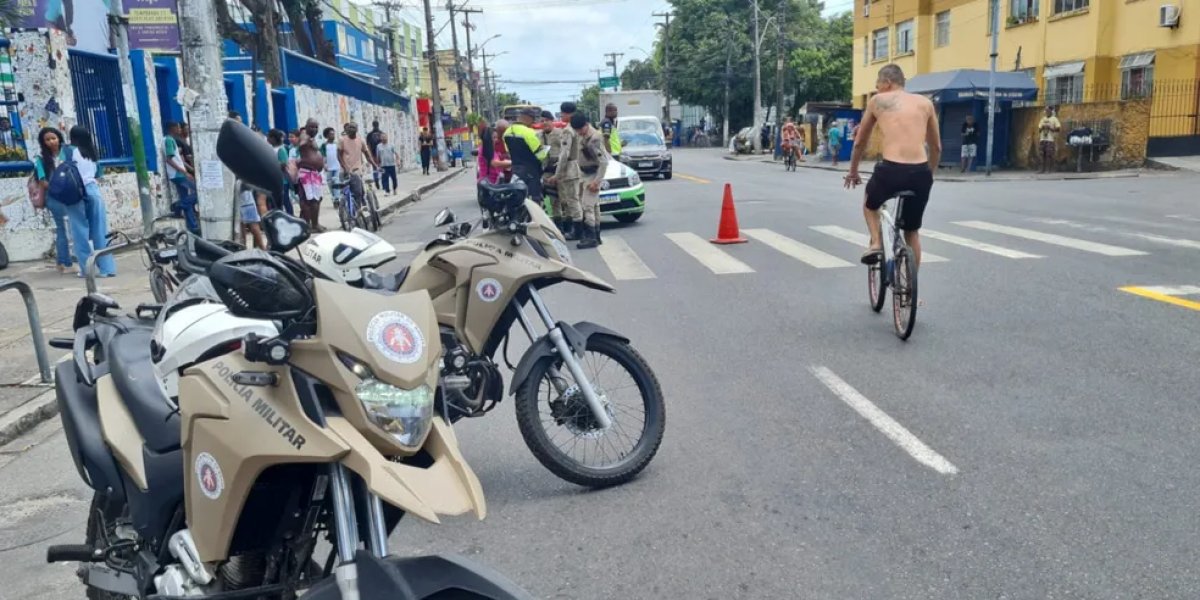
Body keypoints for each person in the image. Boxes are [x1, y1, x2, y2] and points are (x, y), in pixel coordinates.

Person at [844, 64, 940, 269]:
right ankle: (912, 292)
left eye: (877, 83)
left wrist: (853, 171)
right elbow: (936, 147)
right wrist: (928, 175)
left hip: (891, 170)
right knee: (912, 231)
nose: (876, 88)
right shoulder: (925, 103)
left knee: (870, 203)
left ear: (887, 82)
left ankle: (876, 242)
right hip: (921, 172)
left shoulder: (878, 101)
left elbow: (860, 142)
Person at [67, 125, 116, 277]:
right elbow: (99, 173)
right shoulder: (92, 153)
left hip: (77, 192)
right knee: (100, 231)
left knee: (80, 231)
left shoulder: (69, 151)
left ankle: (87, 270)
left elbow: (64, 169)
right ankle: (108, 269)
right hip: (94, 191)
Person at [34, 127, 72, 273]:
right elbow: (42, 181)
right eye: (47, 139)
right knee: (62, 228)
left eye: (53, 138)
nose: (51, 142)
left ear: (59, 138)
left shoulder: (67, 152)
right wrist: (58, 189)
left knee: (73, 228)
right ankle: (63, 262)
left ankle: (69, 259)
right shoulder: (41, 159)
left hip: (71, 195)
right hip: (55, 198)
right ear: (43, 142)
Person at [570, 114, 609, 250]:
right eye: (577, 130)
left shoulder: (594, 139)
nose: (579, 132)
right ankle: (596, 235)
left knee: (587, 206)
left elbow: (604, 162)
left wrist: (596, 182)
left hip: (593, 174)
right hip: (585, 174)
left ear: (586, 125)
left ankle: (590, 237)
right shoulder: (584, 136)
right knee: (594, 206)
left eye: (580, 129)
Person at [548, 102, 583, 240]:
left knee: (572, 200)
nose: (561, 115)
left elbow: (564, 154)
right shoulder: (579, 128)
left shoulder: (568, 130)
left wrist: (557, 173)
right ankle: (582, 229)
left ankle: (577, 231)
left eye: (562, 113)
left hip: (570, 169)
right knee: (577, 199)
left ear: (568, 114)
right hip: (579, 167)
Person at [504, 108, 550, 208]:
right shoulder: (529, 132)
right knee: (535, 199)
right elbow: (540, 155)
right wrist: (547, 150)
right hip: (531, 171)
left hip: (516, 170)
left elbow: (507, 152)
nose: (533, 123)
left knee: (518, 196)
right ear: (528, 118)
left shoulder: (507, 132)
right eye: (533, 120)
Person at [163, 122, 199, 234]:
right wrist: (183, 171)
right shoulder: (169, 140)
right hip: (178, 174)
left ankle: (192, 227)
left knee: (186, 199)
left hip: (177, 173)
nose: (180, 129)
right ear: (172, 128)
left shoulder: (170, 140)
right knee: (199, 192)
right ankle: (178, 206)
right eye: (178, 127)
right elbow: (169, 159)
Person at [337, 122, 379, 216]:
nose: (351, 129)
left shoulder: (360, 140)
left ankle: (358, 213)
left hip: (356, 171)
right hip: (344, 172)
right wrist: (345, 167)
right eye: (349, 127)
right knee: (345, 194)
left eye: (353, 127)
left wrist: (375, 165)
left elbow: (367, 155)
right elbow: (338, 155)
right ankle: (347, 212)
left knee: (358, 193)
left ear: (357, 129)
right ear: (346, 129)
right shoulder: (342, 140)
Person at [295, 121, 326, 231]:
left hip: (314, 174)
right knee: (307, 201)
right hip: (306, 174)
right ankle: (308, 225)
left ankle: (315, 224)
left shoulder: (312, 138)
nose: (314, 129)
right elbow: (302, 143)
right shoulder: (305, 135)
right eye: (312, 127)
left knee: (316, 200)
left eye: (316, 127)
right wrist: (304, 142)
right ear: (307, 127)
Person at [267, 129, 295, 215]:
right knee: (274, 202)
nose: (267, 139)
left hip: (282, 180)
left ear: (274, 138)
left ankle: (290, 216)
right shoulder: (270, 148)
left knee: (285, 200)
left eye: (269, 137)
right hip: (273, 180)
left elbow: (284, 164)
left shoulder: (281, 149)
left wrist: (272, 163)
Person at [476, 119, 511, 185]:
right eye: (494, 138)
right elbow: (494, 163)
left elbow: (500, 157)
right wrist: (513, 163)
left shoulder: (493, 148)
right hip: (489, 184)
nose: (496, 140)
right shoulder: (485, 148)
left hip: (495, 182)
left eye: (496, 137)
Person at [238, 181, 266, 249]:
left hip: (242, 188)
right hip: (243, 188)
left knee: (247, 222)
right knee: (248, 222)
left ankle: (260, 249)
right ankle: (261, 249)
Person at [1038, 106, 1061, 174]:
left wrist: (1050, 128)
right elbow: (1039, 129)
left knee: (1049, 155)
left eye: (1048, 110)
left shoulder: (1054, 119)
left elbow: (1058, 129)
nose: (1046, 112)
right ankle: (1041, 169)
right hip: (1042, 139)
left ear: (1051, 111)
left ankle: (1048, 170)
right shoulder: (1043, 119)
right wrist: (1042, 127)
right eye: (1045, 110)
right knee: (1041, 155)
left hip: (1050, 139)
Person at [321, 127, 341, 201]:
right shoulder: (324, 145)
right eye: (331, 134)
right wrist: (324, 165)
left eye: (333, 134)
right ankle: (333, 196)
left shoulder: (337, 144)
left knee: (336, 181)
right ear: (327, 136)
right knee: (330, 183)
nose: (333, 135)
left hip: (337, 166)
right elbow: (322, 156)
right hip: (329, 167)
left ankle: (337, 198)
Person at [366, 120, 384, 187]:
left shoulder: (369, 134)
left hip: (373, 153)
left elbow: (368, 145)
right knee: (381, 167)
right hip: (381, 153)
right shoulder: (381, 133)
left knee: (375, 167)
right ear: (378, 125)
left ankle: (376, 178)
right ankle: (382, 181)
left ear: (372, 125)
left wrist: (369, 154)